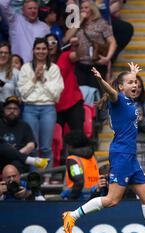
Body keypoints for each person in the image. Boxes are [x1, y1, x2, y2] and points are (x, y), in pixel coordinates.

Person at [61, 62, 145, 233]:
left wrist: (133, 74)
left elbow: (125, 87)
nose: (135, 85)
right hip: (121, 154)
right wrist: (101, 80)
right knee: (112, 200)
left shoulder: (129, 101)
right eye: (130, 83)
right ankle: (73, 215)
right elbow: (110, 91)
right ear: (120, 87)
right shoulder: (117, 98)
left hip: (130, 156)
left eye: (136, 83)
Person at [17, 37, 64, 168]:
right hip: (29, 108)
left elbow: (56, 94)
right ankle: (34, 177)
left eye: (44, 49)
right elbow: (22, 93)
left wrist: (42, 78)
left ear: (48, 51)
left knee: (46, 147)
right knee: (32, 146)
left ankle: (47, 176)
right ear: (33, 50)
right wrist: (34, 78)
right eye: (38, 48)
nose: (41, 51)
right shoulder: (26, 68)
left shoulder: (54, 68)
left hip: (48, 108)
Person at [46, 34, 85, 132]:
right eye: (48, 43)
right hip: (54, 106)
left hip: (73, 102)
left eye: (53, 42)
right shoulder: (41, 63)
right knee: (57, 140)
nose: (50, 45)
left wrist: (77, 45)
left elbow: (78, 55)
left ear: (57, 44)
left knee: (78, 136)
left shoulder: (65, 55)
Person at [0, 95, 36, 172]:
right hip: (1, 157)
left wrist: (15, 154)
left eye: (15, 109)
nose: (12, 111)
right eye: (9, 108)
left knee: (17, 164)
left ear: (19, 111)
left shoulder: (24, 125)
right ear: (4, 110)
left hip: (18, 159)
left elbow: (31, 144)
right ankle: (28, 159)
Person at [60, 130, 99, 201]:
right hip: (94, 194)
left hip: (78, 196)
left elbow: (79, 181)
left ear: (70, 145)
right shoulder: (92, 156)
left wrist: (71, 199)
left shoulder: (73, 160)